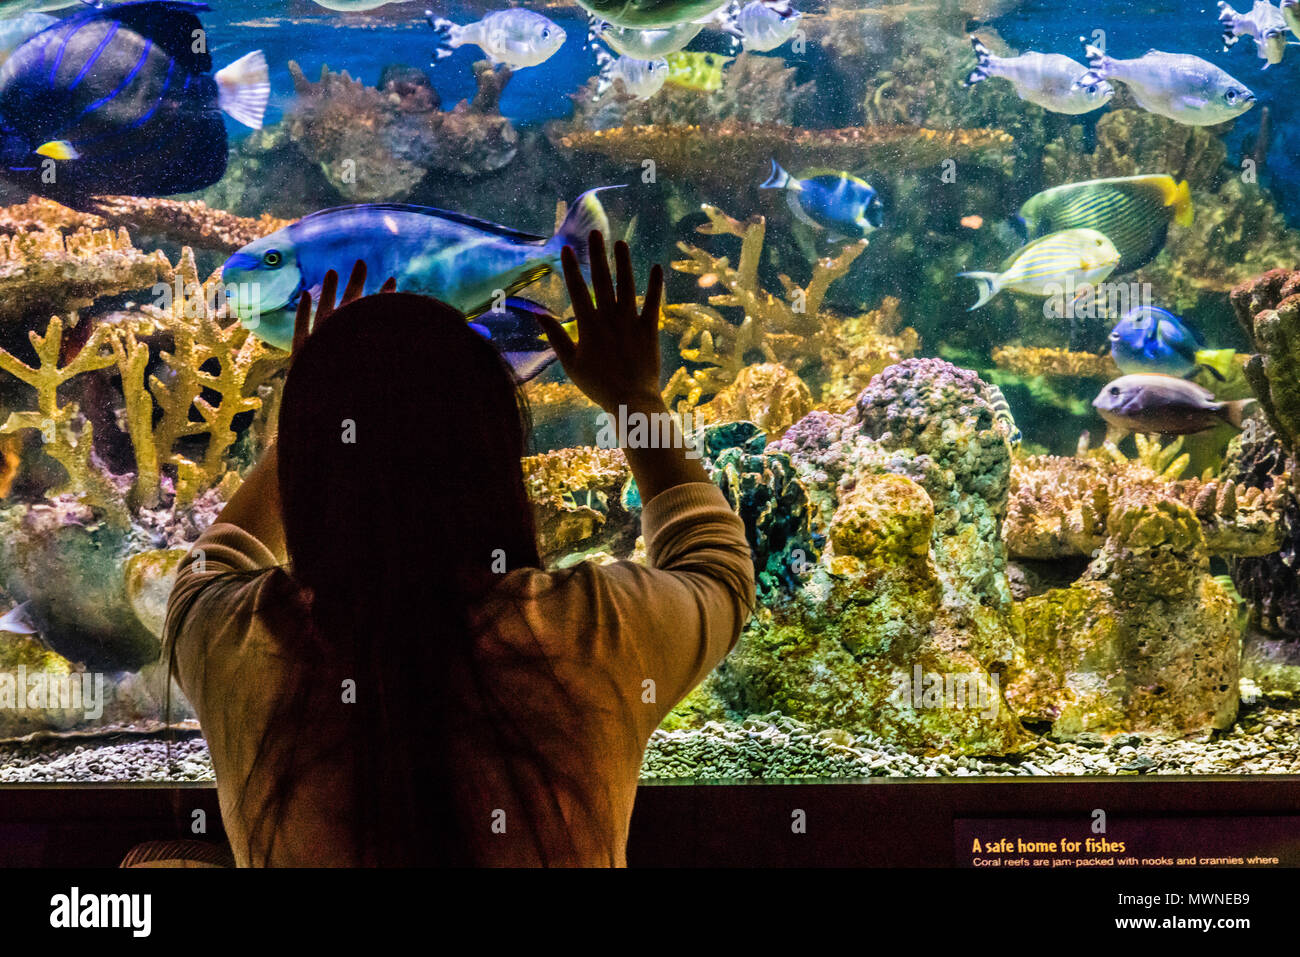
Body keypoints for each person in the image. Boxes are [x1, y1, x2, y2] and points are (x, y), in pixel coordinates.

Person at [161, 232, 756, 866]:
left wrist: (323, 406)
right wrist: (635, 400)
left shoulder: (230, 638)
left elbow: (215, 561)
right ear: (499, 449)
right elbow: (716, 565)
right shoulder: (596, 628)